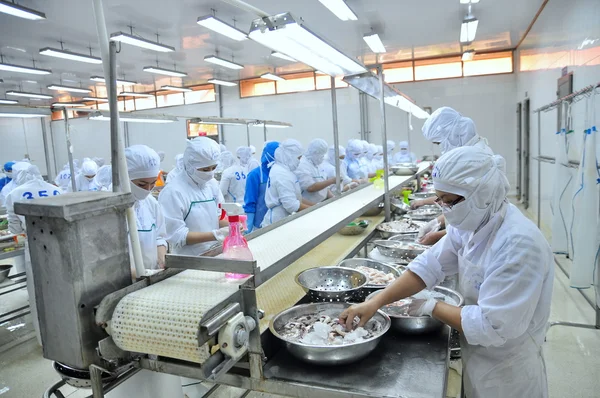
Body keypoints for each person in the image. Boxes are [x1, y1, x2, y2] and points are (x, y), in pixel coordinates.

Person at [340, 146, 553, 398]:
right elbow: (429, 266)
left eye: (449, 201)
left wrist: (432, 307)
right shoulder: (472, 222)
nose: (443, 209)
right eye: (439, 199)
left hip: (509, 366)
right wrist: (376, 301)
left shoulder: (518, 245)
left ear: (481, 195)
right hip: (478, 353)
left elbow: (492, 326)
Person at [414, 106, 500, 245]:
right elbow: (459, 206)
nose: (441, 148)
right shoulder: (469, 154)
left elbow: (477, 219)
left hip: (479, 240)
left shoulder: (477, 160)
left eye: (439, 142)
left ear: (453, 134)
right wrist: (438, 222)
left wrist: (440, 235)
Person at [5, 163, 62, 345]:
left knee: (39, 295)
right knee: (63, 290)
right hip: (62, 246)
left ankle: (45, 340)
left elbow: (14, 228)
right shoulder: (56, 190)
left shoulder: (14, 194)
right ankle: (66, 335)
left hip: (35, 247)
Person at [159, 137, 228, 255]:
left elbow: (217, 215)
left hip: (216, 251)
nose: (210, 173)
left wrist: (233, 226)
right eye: (205, 169)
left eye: (213, 168)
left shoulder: (211, 185)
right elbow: (176, 234)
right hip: (190, 259)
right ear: (190, 166)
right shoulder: (174, 192)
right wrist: (215, 235)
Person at [125, 145, 167, 271]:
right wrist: (138, 273)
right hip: (123, 283)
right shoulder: (109, 208)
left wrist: (161, 262)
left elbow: (160, 237)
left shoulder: (151, 203)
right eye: (141, 184)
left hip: (150, 277)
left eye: (153, 183)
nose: (148, 189)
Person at [261, 139, 313, 227]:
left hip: (284, 218)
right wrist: (314, 211)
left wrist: (315, 206)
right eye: (298, 158)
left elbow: (295, 197)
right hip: (278, 221)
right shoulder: (282, 174)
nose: (299, 161)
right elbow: (291, 205)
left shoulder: (284, 170)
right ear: (290, 156)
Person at [244, 141, 279, 232]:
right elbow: (250, 202)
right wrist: (248, 227)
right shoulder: (255, 175)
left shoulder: (282, 174)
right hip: (260, 225)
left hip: (280, 222)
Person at [295, 139, 335, 203]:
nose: (323, 157)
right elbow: (310, 187)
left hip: (322, 201)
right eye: (321, 154)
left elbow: (324, 185)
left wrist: (333, 198)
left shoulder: (317, 164)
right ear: (315, 152)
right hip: (310, 205)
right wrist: (331, 181)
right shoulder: (302, 165)